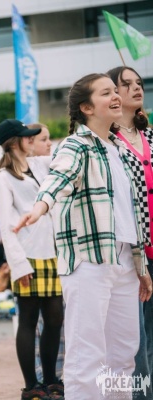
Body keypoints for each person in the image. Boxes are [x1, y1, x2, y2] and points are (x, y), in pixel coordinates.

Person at [15, 73, 153, 399]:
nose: (116, 96)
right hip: (89, 261)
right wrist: (40, 207)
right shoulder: (75, 145)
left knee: (124, 355)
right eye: (106, 93)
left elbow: (130, 213)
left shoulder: (120, 149)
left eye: (115, 90)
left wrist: (141, 268)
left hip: (124, 259)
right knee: (87, 354)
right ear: (87, 108)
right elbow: (59, 178)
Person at [0, 119, 64, 399]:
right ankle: (31, 386)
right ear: (14, 142)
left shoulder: (39, 165)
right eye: (27, 136)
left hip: (51, 253)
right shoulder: (1, 178)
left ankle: (51, 379)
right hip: (26, 255)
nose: (32, 139)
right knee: (29, 320)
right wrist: (19, 265)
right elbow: (5, 225)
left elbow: (63, 158)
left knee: (55, 318)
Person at [107, 65, 153, 400]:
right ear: (113, 94)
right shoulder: (109, 143)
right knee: (136, 339)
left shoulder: (150, 135)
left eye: (139, 83)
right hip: (133, 249)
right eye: (127, 84)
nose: (136, 88)